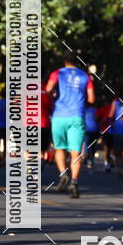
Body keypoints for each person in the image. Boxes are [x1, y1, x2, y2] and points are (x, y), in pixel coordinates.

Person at [46, 51, 95, 198]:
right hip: (77, 116)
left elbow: (48, 90)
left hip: (59, 116)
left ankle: (63, 174)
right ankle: (74, 181)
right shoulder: (85, 76)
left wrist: (54, 96)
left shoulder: (57, 73)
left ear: (64, 61)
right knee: (76, 152)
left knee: (59, 148)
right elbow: (92, 99)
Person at [84, 103, 99, 169]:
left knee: (87, 145)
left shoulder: (84, 110)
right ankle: (90, 160)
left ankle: (87, 159)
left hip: (87, 129)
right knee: (93, 146)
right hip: (94, 129)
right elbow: (97, 118)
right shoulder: (96, 110)